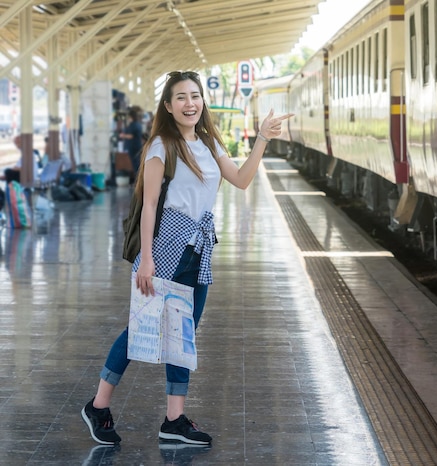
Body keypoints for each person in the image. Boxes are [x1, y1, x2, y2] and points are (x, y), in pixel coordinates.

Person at [81, 70, 292, 446]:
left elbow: (241, 180)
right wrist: (146, 259)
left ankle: (174, 419)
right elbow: (148, 205)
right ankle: (98, 404)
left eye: (195, 96)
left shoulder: (210, 143)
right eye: (181, 97)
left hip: (199, 246)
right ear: (168, 105)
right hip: (165, 248)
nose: (190, 103)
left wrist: (262, 138)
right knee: (142, 328)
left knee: (184, 333)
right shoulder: (162, 145)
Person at [118, 106, 144, 177]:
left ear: (131, 117)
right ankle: (138, 179)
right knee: (136, 163)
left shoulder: (134, 125)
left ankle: (138, 179)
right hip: (136, 146)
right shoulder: (137, 125)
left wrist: (123, 136)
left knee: (136, 164)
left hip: (134, 147)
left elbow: (132, 136)